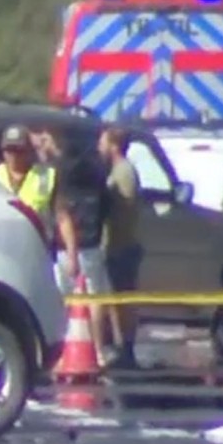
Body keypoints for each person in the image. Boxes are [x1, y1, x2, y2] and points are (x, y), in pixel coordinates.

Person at [52, 139, 115, 365]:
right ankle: (97, 350)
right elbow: (108, 209)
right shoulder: (97, 177)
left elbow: (61, 214)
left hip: (65, 250)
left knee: (66, 300)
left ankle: (64, 351)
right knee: (95, 297)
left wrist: (70, 252)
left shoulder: (63, 179)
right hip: (92, 245)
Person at [98, 125, 143, 367]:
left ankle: (126, 347)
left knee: (121, 298)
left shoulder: (123, 171)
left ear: (114, 145)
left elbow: (124, 207)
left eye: (103, 142)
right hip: (116, 244)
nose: (99, 147)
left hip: (121, 245)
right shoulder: (115, 169)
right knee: (114, 297)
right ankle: (119, 343)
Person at [0, 125, 58, 235]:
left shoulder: (46, 176)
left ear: (29, 150)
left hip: (36, 244)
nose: (14, 155)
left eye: (19, 150)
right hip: (2, 242)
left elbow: (62, 217)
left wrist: (71, 251)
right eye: (9, 150)